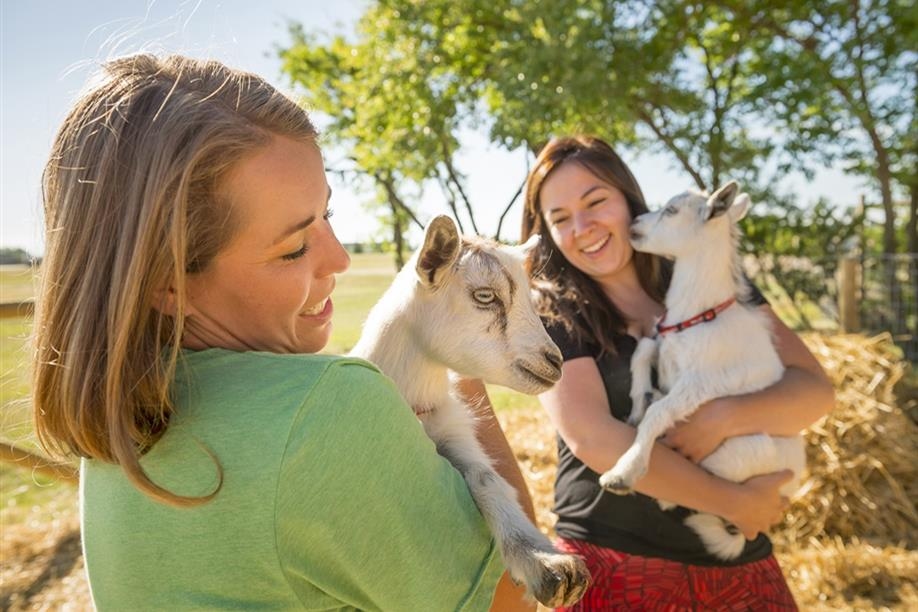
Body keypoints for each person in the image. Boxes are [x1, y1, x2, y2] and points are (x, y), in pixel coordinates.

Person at [32, 54, 534, 611]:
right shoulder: (328, 407)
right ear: (169, 282)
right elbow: (512, 600)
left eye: (328, 215)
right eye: (294, 247)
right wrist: (447, 356)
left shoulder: (118, 415)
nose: (339, 258)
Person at [516, 135, 836, 610]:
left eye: (596, 202)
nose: (582, 227)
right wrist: (735, 502)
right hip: (616, 562)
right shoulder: (550, 317)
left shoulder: (717, 285)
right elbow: (595, 440)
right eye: (560, 219)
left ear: (629, 200)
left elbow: (813, 391)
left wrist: (722, 418)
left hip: (736, 558)